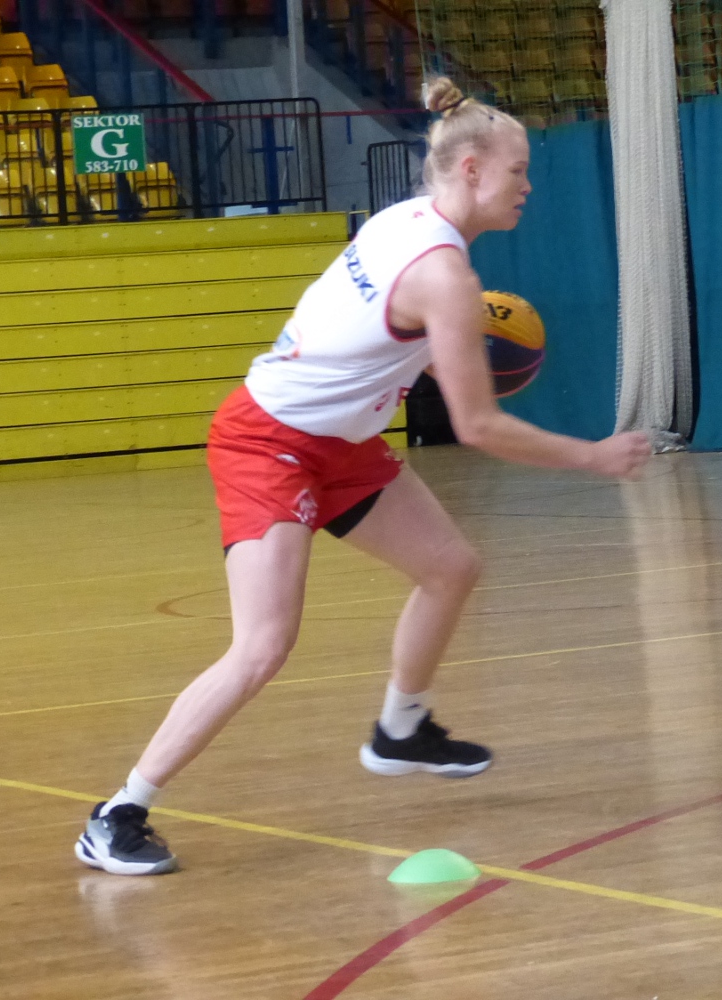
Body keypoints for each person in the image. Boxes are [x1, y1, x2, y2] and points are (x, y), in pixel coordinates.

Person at [75, 78, 653, 876]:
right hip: (266, 442)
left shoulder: (404, 222)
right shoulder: (443, 276)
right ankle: (117, 813)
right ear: (473, 169)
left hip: (338, 443)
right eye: (518, 170)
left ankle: (400, 729)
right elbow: (478, 426)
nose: (528, 185)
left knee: (450, 567)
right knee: (262, 646)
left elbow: (384, 348)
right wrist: (592, 456)